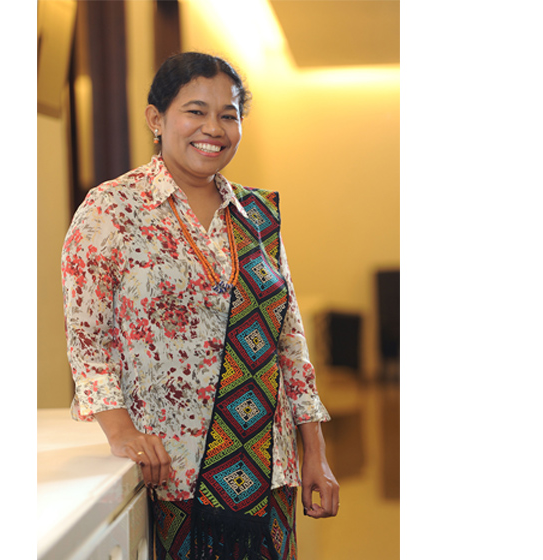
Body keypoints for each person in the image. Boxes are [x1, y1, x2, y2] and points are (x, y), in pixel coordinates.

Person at [61, 52, 338, 560]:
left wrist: (314, 453)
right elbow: (88, 341)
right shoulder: (111, 210)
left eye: (228, 115)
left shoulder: (256, 217)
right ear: (156, 119)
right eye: (195, 111)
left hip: (265, 472)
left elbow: (290, 342)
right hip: (173, 475)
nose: (214, 128)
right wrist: (121, 431)